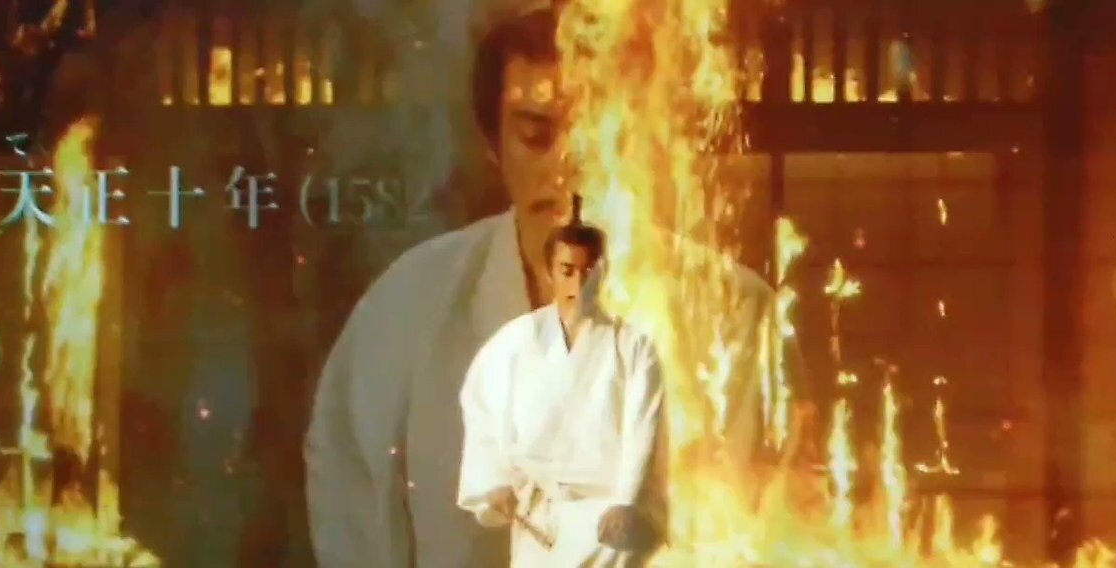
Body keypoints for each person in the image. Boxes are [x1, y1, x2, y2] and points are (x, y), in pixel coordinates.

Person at [304, 5, 802, 568]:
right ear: (494, 144)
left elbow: (759, 527)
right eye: (536, 136)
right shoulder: (409, 305)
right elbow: (349, 499)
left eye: (594, 136)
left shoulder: (733, 312)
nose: (566, 168)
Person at [457, 210, 666, 567]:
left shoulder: (633, 346)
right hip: (539, 515)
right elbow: (481, 409)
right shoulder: (515, 341)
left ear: (602, 273)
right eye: (567, 271)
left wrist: (626, 502)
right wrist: (493, 479)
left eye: (588, 272)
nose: (577, 284)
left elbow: (643, 428)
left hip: (606, 520)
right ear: (549, 272)